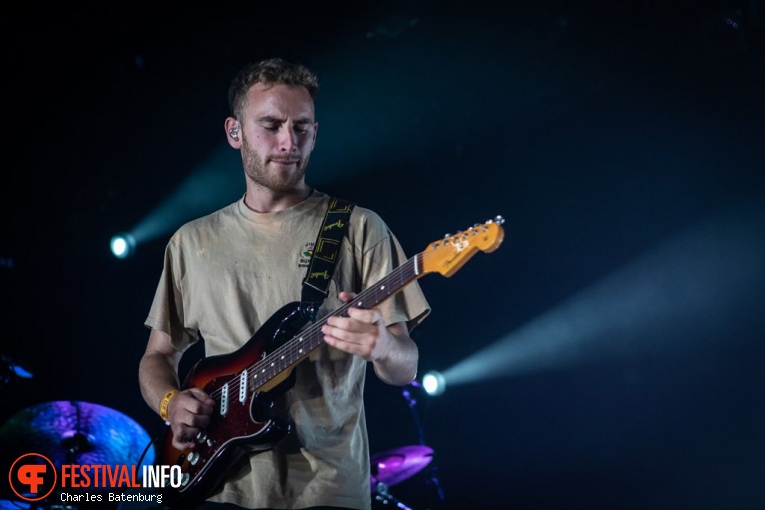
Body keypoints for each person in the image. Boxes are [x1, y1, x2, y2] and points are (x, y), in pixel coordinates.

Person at [138, 57, 430, 510]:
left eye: (302, 127)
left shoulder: (359, 228)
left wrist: (381, 347)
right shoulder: (190, 241)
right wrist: (171, 403)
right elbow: (158, 355)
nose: (288, 142)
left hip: (329, 487)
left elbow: (405, 367)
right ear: (235, 133)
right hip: (219, 484)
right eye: (271, 126)